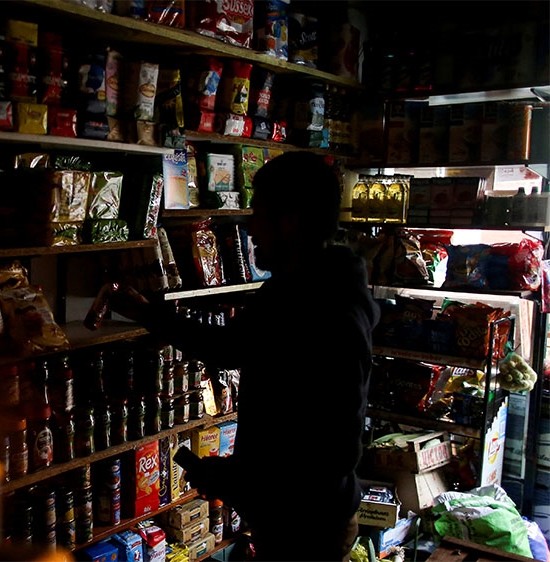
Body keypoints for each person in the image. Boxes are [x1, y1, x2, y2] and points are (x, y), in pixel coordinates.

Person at [111, 151, 380, 561]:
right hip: (295, 514)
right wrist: (148, 314)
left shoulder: (324, 307)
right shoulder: (300, 290)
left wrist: (243, 480)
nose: (251, 229)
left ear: (290, 221)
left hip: (308, 524)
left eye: (259, 214)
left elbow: (330, 448)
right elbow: (232, 349)